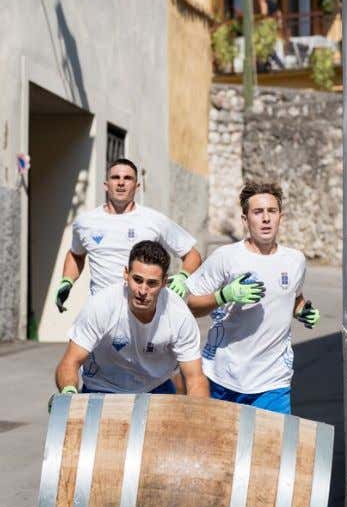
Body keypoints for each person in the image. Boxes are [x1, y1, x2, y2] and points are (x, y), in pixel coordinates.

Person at [185, 182, 319, 414]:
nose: (266, 218)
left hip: (273, 381)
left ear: (281, 217)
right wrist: (223, 295)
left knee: (273, 449)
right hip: (224, 377)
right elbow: (192, 305)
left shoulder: (295, 260)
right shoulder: (226, 257)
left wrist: (303, 311)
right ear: (245, 220)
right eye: (258, 212)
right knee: (223, 449)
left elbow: (294, 298)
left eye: (272, 211)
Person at [54, 241, 208, 398]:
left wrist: (199, 416)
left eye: (152, 283)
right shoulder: (101, 306)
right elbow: (69, 362)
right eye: (138, 280)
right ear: (126, 274)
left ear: (163, 282)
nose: (142, 290)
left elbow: (195, 379)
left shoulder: (179, 315)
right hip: (102, 387)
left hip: (155, 386)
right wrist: (69, 394)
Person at [54, 158, 201, 313]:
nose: (121, 183)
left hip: (143, 313)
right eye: (115, 177)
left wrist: (183, 277)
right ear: (106, 185)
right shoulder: (85, 222)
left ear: (137, 186)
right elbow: (76, 255)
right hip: (99, 312)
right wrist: (67, 281)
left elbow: (193, 255)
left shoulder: (155, 220)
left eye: (128, 178)